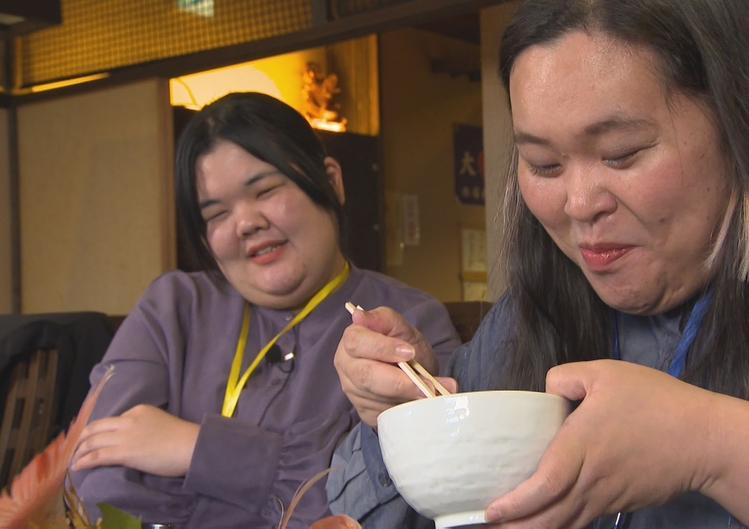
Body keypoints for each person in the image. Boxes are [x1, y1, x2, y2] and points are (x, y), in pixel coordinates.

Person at [327, 0, 749, 528]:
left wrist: (716, 445)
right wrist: (409, 419)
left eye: (621, 153)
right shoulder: (532, 309)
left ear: (740, 120)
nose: (579, 205)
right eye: (544, 164)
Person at [68, 92, 462, 528]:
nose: (245, 223)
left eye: (266, 191)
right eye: (216, 215)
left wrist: (197, 449)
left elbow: (389, 503)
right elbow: (95, 480)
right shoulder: (171, 309)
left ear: (331, 182)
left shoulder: (406, 324)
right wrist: (292, 473)